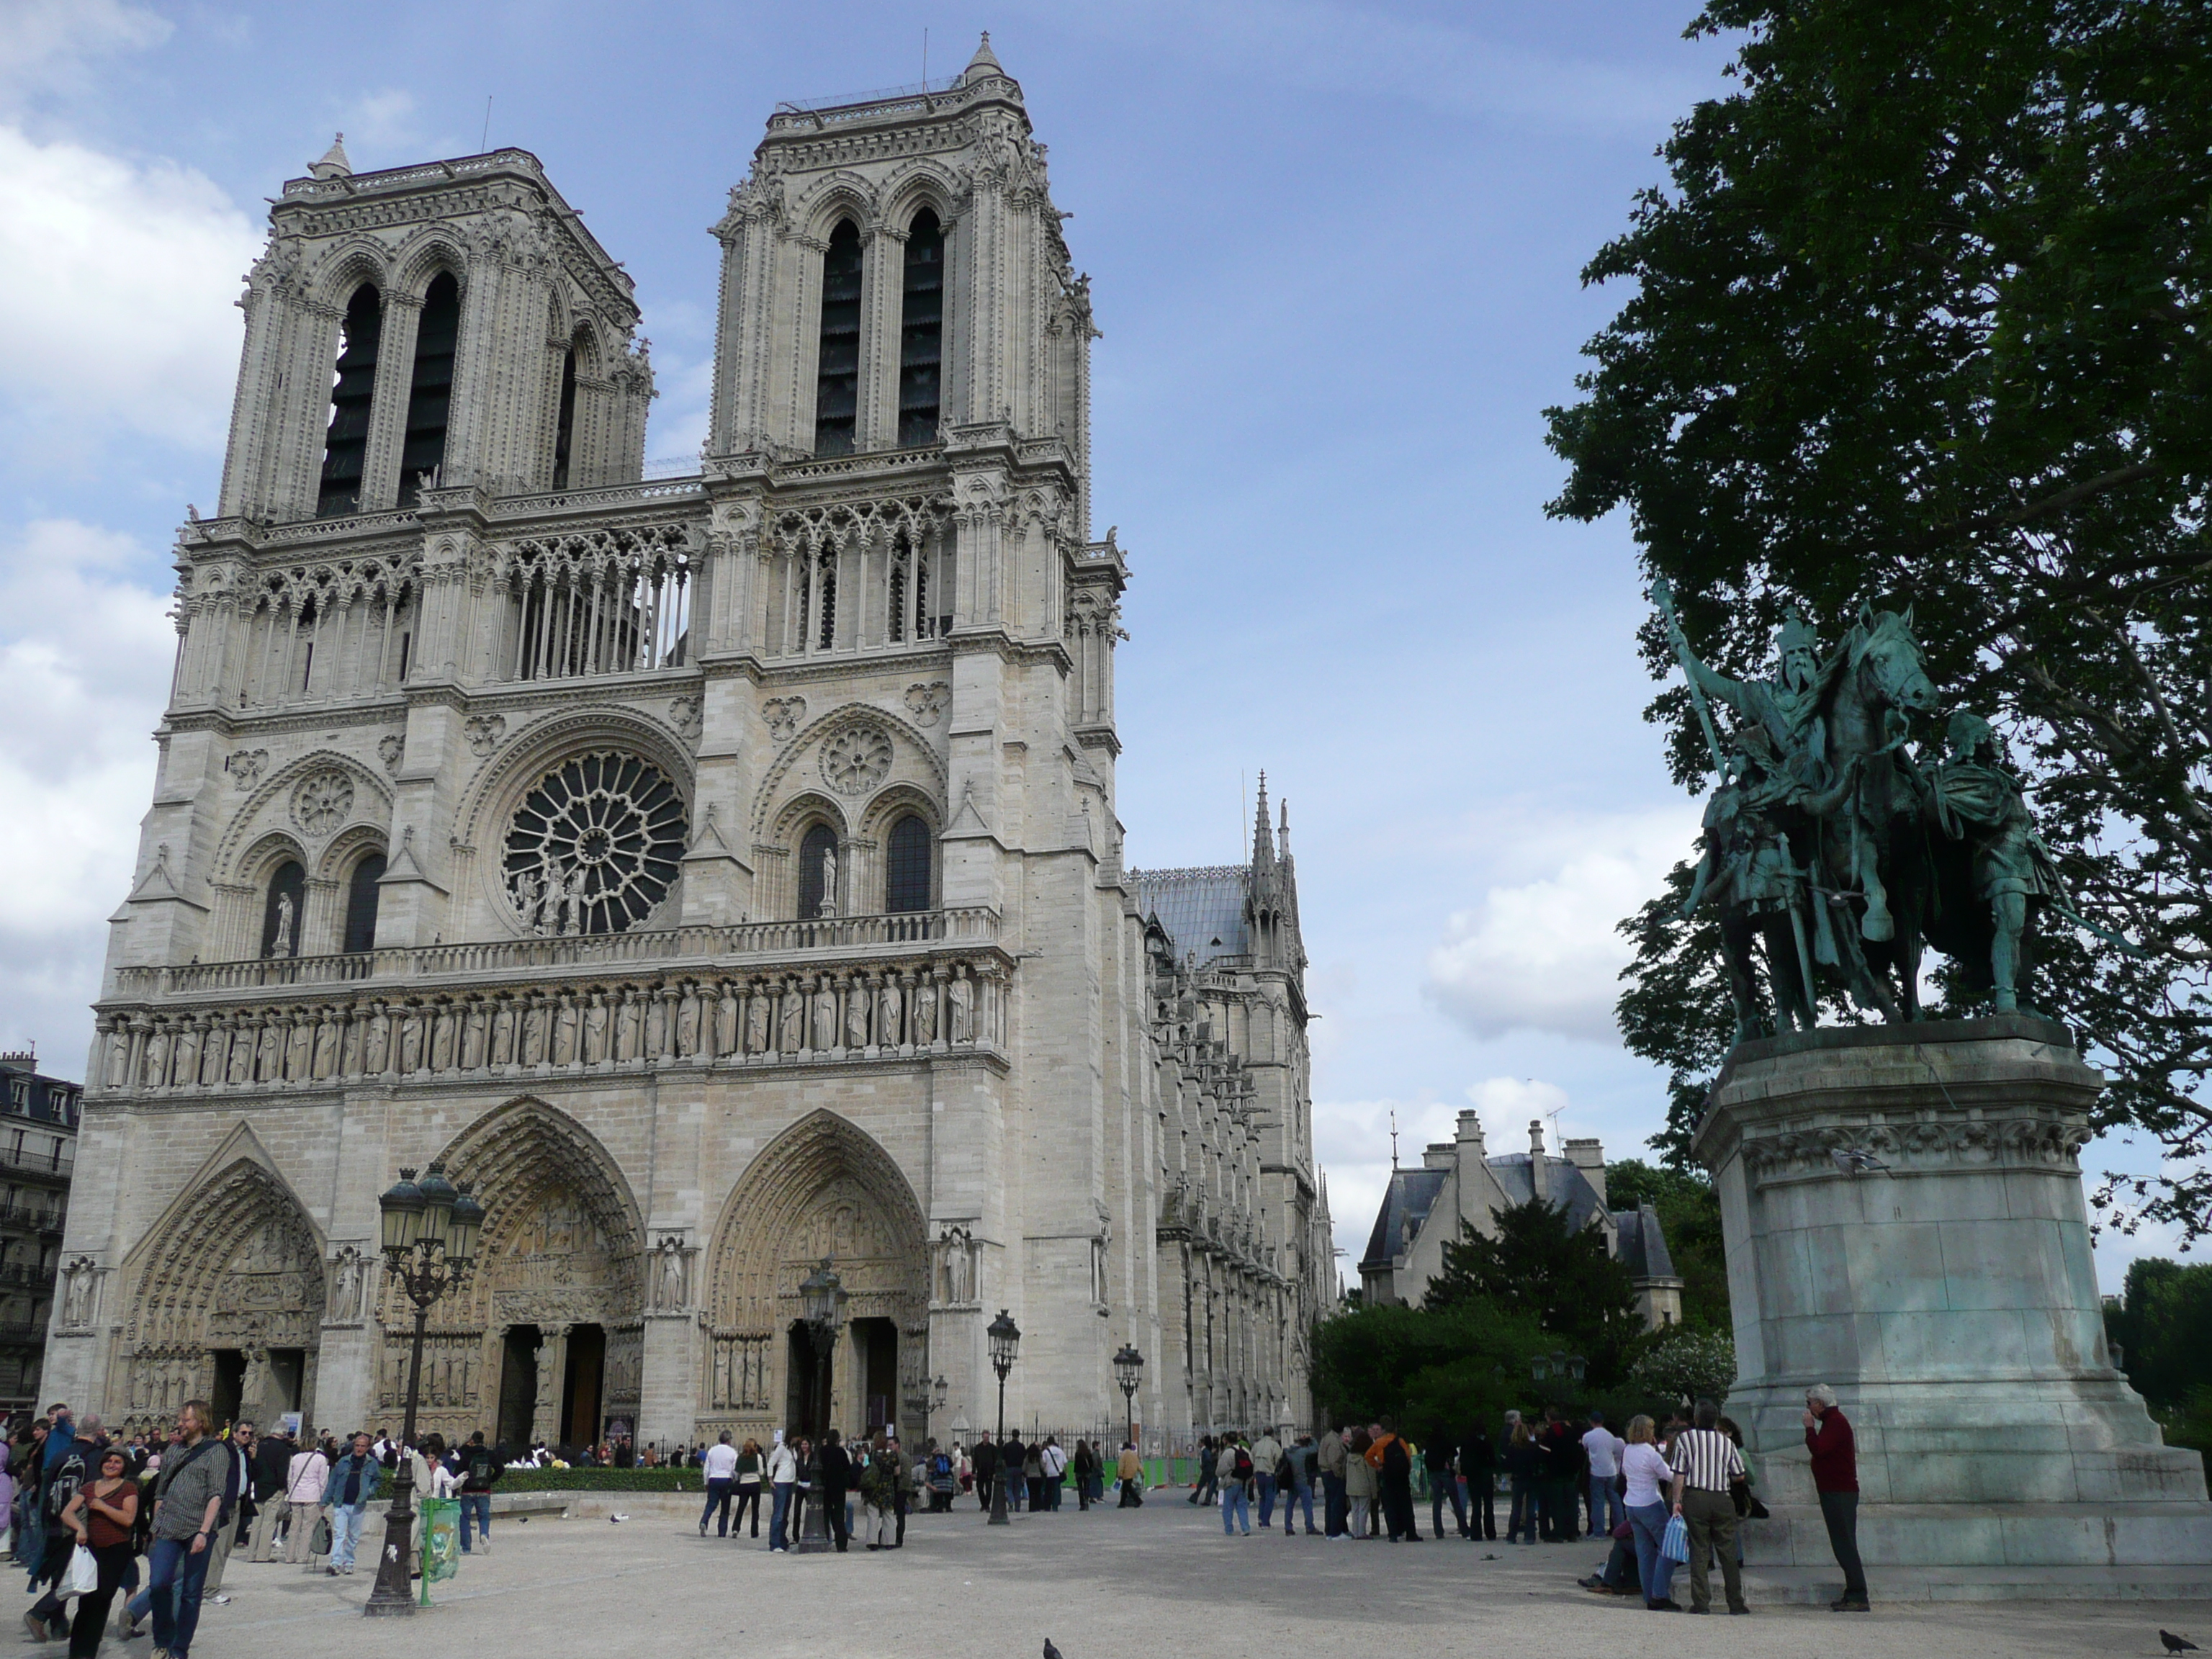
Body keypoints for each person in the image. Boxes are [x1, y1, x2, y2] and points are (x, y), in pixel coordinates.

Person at [146, 1401, 226, 1659]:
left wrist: (204, 1532)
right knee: (159, 1584)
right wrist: (155, 1527)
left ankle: (179, 1649)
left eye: (186, 1420)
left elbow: (216, 1495)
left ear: (201, 1422)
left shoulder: (217, 1452)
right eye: (180, 1419)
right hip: (168, 1526)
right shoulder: (173, 1452)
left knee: (191, 1593)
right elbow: (161, 1492)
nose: (180, 1424)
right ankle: (163, 1639)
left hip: (197, 1529)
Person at [1668, 1398, 1748, 1616]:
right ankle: (1736, 1602)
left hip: (1696, 1497)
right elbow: (1739, 1474)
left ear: (1695, 1418)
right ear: (1715, 1420)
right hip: (1722, 1498)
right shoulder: (1726, 1442)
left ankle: (1701, 1603)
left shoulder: (1686, 1439)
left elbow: (1679, 1473)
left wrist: (1677, 1500)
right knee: (1728, 1553)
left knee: (1700, 1551)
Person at [58, 1446, 135, 1659]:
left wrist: (102, 1507)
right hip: (91, 1549)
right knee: (86, 1600)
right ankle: (77, 1652)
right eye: (108, 1461)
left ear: (124, 1466)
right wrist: (81, 1528)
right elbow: (67, 1513)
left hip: (116, 1550)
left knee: (102, 1599)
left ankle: (89, 1652)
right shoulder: (89, 1487)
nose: (111, 1465)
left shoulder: (128, 1488)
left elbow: (128, 1519)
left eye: (117, 1462)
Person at [1804, 1384, 1868, 1611]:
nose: (1809, 1409)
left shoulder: (1835, 1422)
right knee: (1843, 1544)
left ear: (1820, 1404)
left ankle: (1858, 1595)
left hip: (1839, 1492)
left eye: (1809, 1403)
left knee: (1845, 1545)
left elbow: (1819, 1449)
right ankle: (1853, 1592)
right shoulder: (1834, 1422)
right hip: (1836, 1490)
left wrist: (1809, 1429)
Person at [1620, 1415, 1678, 1611]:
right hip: (1650, 1503)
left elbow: (1624, 1473)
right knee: (1669, 1548)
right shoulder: (1650, 1453)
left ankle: (1649, 1595)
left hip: (1631, 1504)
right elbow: (1669, 1475)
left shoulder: (1628, 1450)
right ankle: (1660, 1594)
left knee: (1645, 1552)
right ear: (1649, 1432)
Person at [321, 1433, 383, 1577]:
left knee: (353, 1536)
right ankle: (335, 1563)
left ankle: (349, 1562)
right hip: (341, 1503)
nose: (359, 1449)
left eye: (363, 1446)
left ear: (367, 1448)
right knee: (339, 1534)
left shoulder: (371, 1463)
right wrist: (325, 1501)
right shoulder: (343, 1462)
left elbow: (377, 1480)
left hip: (358, 1506)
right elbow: (332, 1482)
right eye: (357, 1445)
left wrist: (370, 1490)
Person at [246, 1424, 292, 1561]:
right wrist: (284, 1487)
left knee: (256, 1523)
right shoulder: (283, 1449)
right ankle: (262, 1556)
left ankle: (251, 1554)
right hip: (274, 1489)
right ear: (283, 1433)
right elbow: (282, 1471)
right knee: (269, 1523)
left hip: (260, 1486)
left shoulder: (260, 1445)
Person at [280, 1435, 328, 1565]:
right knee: (308, 1527)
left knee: (294, 1526)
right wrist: (323, 1497)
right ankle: (302, 1556)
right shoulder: (320, 1459)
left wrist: (292, 1491)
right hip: (312, 1495)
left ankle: (289, 1556)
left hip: (296, 1495)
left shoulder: (296, 1458)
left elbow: (290, 1477)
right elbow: (323, 1480)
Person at [1373, 1418, 1420, 1542]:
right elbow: (1408, 1458)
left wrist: (1379, 1467)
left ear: (1382, 1429)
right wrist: (1407, 1471)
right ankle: (1411, 1533)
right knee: (1406, 1506)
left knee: (1390, 1506)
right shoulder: (1400, 1441)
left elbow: (1369, 1456)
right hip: (1402, 1477)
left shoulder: (1379, 1442)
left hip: (1388, 1476)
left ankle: (1393, 1534)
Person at [457, 1431, 501, 1555]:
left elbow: (457, 1472)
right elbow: (500, 1469)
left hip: (468, 1490)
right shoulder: (489, 1454)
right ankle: (484, 1534)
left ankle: (466, 1547)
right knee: (484, 1516)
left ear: (472, 1440)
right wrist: (490, 1480)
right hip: (484, 1490)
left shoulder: (467, 1454)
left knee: (465, 1518)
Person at [1583, 1410, 1625, 1539]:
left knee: (1598, 1502)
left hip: (1596, 1471)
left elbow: (1585, 1450)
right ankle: (1621, 1530)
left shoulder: (1588, 1436)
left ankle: (1599, 1531)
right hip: (1611, 1471)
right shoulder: (1610, 1436)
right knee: (1615, 1501)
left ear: (1591, 1421)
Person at [1503, 1419, 1539, 1545]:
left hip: (1518, 1479)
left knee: (1516, 1508)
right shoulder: (1533, 1447)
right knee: (1530, 1509)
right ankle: (1530, 1536)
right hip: (1531, 1478)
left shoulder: (1512, 1448)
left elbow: (1507, 1465)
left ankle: (1512, 1535)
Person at [858, 1439, 898, 1550]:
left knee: (873, 1515)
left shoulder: (873, 1455)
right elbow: (897, 1472)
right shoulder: (893, 1455)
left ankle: (872, 1541)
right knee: (889, 1515)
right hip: (888, 1488)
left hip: (875, 1488)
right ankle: (889, 1541)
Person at [698, 1430, 739, 1537]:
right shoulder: (732, 1452)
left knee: (711, 1503)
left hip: (713, 1478)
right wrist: (735, 1479)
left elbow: (706, 1468)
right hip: (726, 1479)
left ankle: (704, 1521)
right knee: (725, 1507)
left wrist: (706, 1482)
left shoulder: (712, 1450)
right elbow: (735, 1469)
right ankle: (722, 1532)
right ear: (729, 1440)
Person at [1460, 1422, 1496, 1541]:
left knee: (1476, 1505)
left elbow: (1463, 1460)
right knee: (1488, 1504)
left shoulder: (1467, 1442)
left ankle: (1476, 1533)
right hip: (1485, 1474)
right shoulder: (1486, 1442)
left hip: (1473, 1476)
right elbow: (1492, 1458)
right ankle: (1490, 1532)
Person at [1424, 1434, 1462, 1541]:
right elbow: (1454, 1453)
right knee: (1455, 1501)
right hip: (1444, 1471)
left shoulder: (1429, 1442)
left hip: (1433, 1473)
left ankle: (1438, 1531)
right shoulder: (1445, 1440)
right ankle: (1463, 1528)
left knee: (1437, 1503)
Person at [817, 1430, 851, 1552]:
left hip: (825, 1486)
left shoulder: (822, 1451)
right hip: (838, 1487)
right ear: (837, 1440)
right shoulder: (840, 1452)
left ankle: (826, 1540)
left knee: (826, 1515)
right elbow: (847, 1467)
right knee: (839, 1515)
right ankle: (841, 1544)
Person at [766, 1433, 799, 1552]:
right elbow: (771, 1463)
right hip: (780, 1483)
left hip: (789, 1483)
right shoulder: (781, 1448)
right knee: (778, 1514)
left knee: (785, 1514)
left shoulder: (792, 1449)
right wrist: (770, 1480)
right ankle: (775, 1543)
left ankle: (782, 1540)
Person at [1343, 1428, 1375, 1539]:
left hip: (1351, 1487)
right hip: (1363, 1487)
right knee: (1363, 1510)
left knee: (1355, 1510)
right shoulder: (1366, 1458)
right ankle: (1362, 1532)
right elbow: (1371, 1475)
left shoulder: (1349, 1457)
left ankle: (1356, 1532)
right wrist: (1374, 1491)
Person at [1282, 1434, 1317, 1536]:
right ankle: (1310, 1527)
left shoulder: (1289, 1452)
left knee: (1289, 1505)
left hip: (1291, 1481)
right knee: (1307, 1505)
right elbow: (1315, 1448)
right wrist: (1312, 1438)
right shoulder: (1304, 1452)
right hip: (1303, 1481)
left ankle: (1288, 1527)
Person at [1316, 1426, 1347, 1538]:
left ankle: (1329, 1529)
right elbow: (1334, 1460)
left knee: (1330, 1502)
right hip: (1332, 1473)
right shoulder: (1334, 1441)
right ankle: (1335, 1531)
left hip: (1326, 1472)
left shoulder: (1327, 1437)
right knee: (1336, 1503)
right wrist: (1339, 1474)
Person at [1220, 1435, 1252, 1535]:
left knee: (1228, 1508)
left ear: (1227, 1442)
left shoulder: (1228, 1453)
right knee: (1242, 1506)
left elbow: (1220, 1470)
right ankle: (1245, 1528)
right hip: (1243, 1482)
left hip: (1231, 1482)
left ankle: (1229, 1530)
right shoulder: (1246, 1451)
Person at [1250, 1429, 1282, 1529]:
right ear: (1272, 1434)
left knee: (1262, 1497)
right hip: (1269, 1472)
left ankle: (1260, 1518)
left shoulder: (1257, 1445)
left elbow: (1251, 1458)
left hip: (1258, 1473)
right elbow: (1279, 1459)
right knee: (1270, 1498)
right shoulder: (1274, 1445)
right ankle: (1265, 1521)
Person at [733, 1439, 765, 1539]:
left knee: (741, 1507)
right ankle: (754, 1532)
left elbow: (736, 1473)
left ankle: (735, 1528)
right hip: (755, 1483)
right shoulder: (758, 1457)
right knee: (755, 1509)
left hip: (744, 1483)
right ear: (754, 1447)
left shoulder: (740, 1457)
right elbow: (761, 1472)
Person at [1186, 1435, 1217, 1507]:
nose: (1198, 1444)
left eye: (1199, 1443)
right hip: (1207, 1471)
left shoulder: (1205, 1451)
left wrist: (1203, 1465)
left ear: (1202, 1443)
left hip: (1207, 1471)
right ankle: (1195, 1498)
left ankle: (1197, 1499)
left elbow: (1208, 1459)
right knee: (1209, 1486)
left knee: (1204, 1485)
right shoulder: (1204, 1451)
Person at [1040, 1436, 1068, 1511]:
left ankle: (1047, 1506)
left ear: (1048, 1442)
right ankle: (1055, 1506)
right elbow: (1065, 1462)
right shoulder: (1060, 1451)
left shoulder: (1045, 1452)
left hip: (1049, 1473)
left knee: (1048, 1490)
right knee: (1056, 1490)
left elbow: (1043, 1463)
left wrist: (1045, 1470)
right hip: (1058, 1473)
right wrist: (1066, 1472)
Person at [1070, 1440, 1097, 1512]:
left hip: (1079, 1473)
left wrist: (1075, 1473)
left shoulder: (1077, 1454)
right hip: (1087, 1473)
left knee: (1080, 1489)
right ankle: (1086, 1502)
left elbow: (1076, 1465)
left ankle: (1082, 1504)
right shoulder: (1088, 1453)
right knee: (1086, 1488)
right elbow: (1091, 1463)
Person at [1115, 1441, 1144, 1507]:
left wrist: (1120, 1474)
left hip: (1126, 1474)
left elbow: (1121, 1465)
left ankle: (1138, 1500)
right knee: (1126, 1489)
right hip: (1132, 1473)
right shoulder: (1134, 1455)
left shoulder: (1124, 1454)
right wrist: (1142, 1472)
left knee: (1128, 1489)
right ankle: (1122, 1503)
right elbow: (1138, 1465)